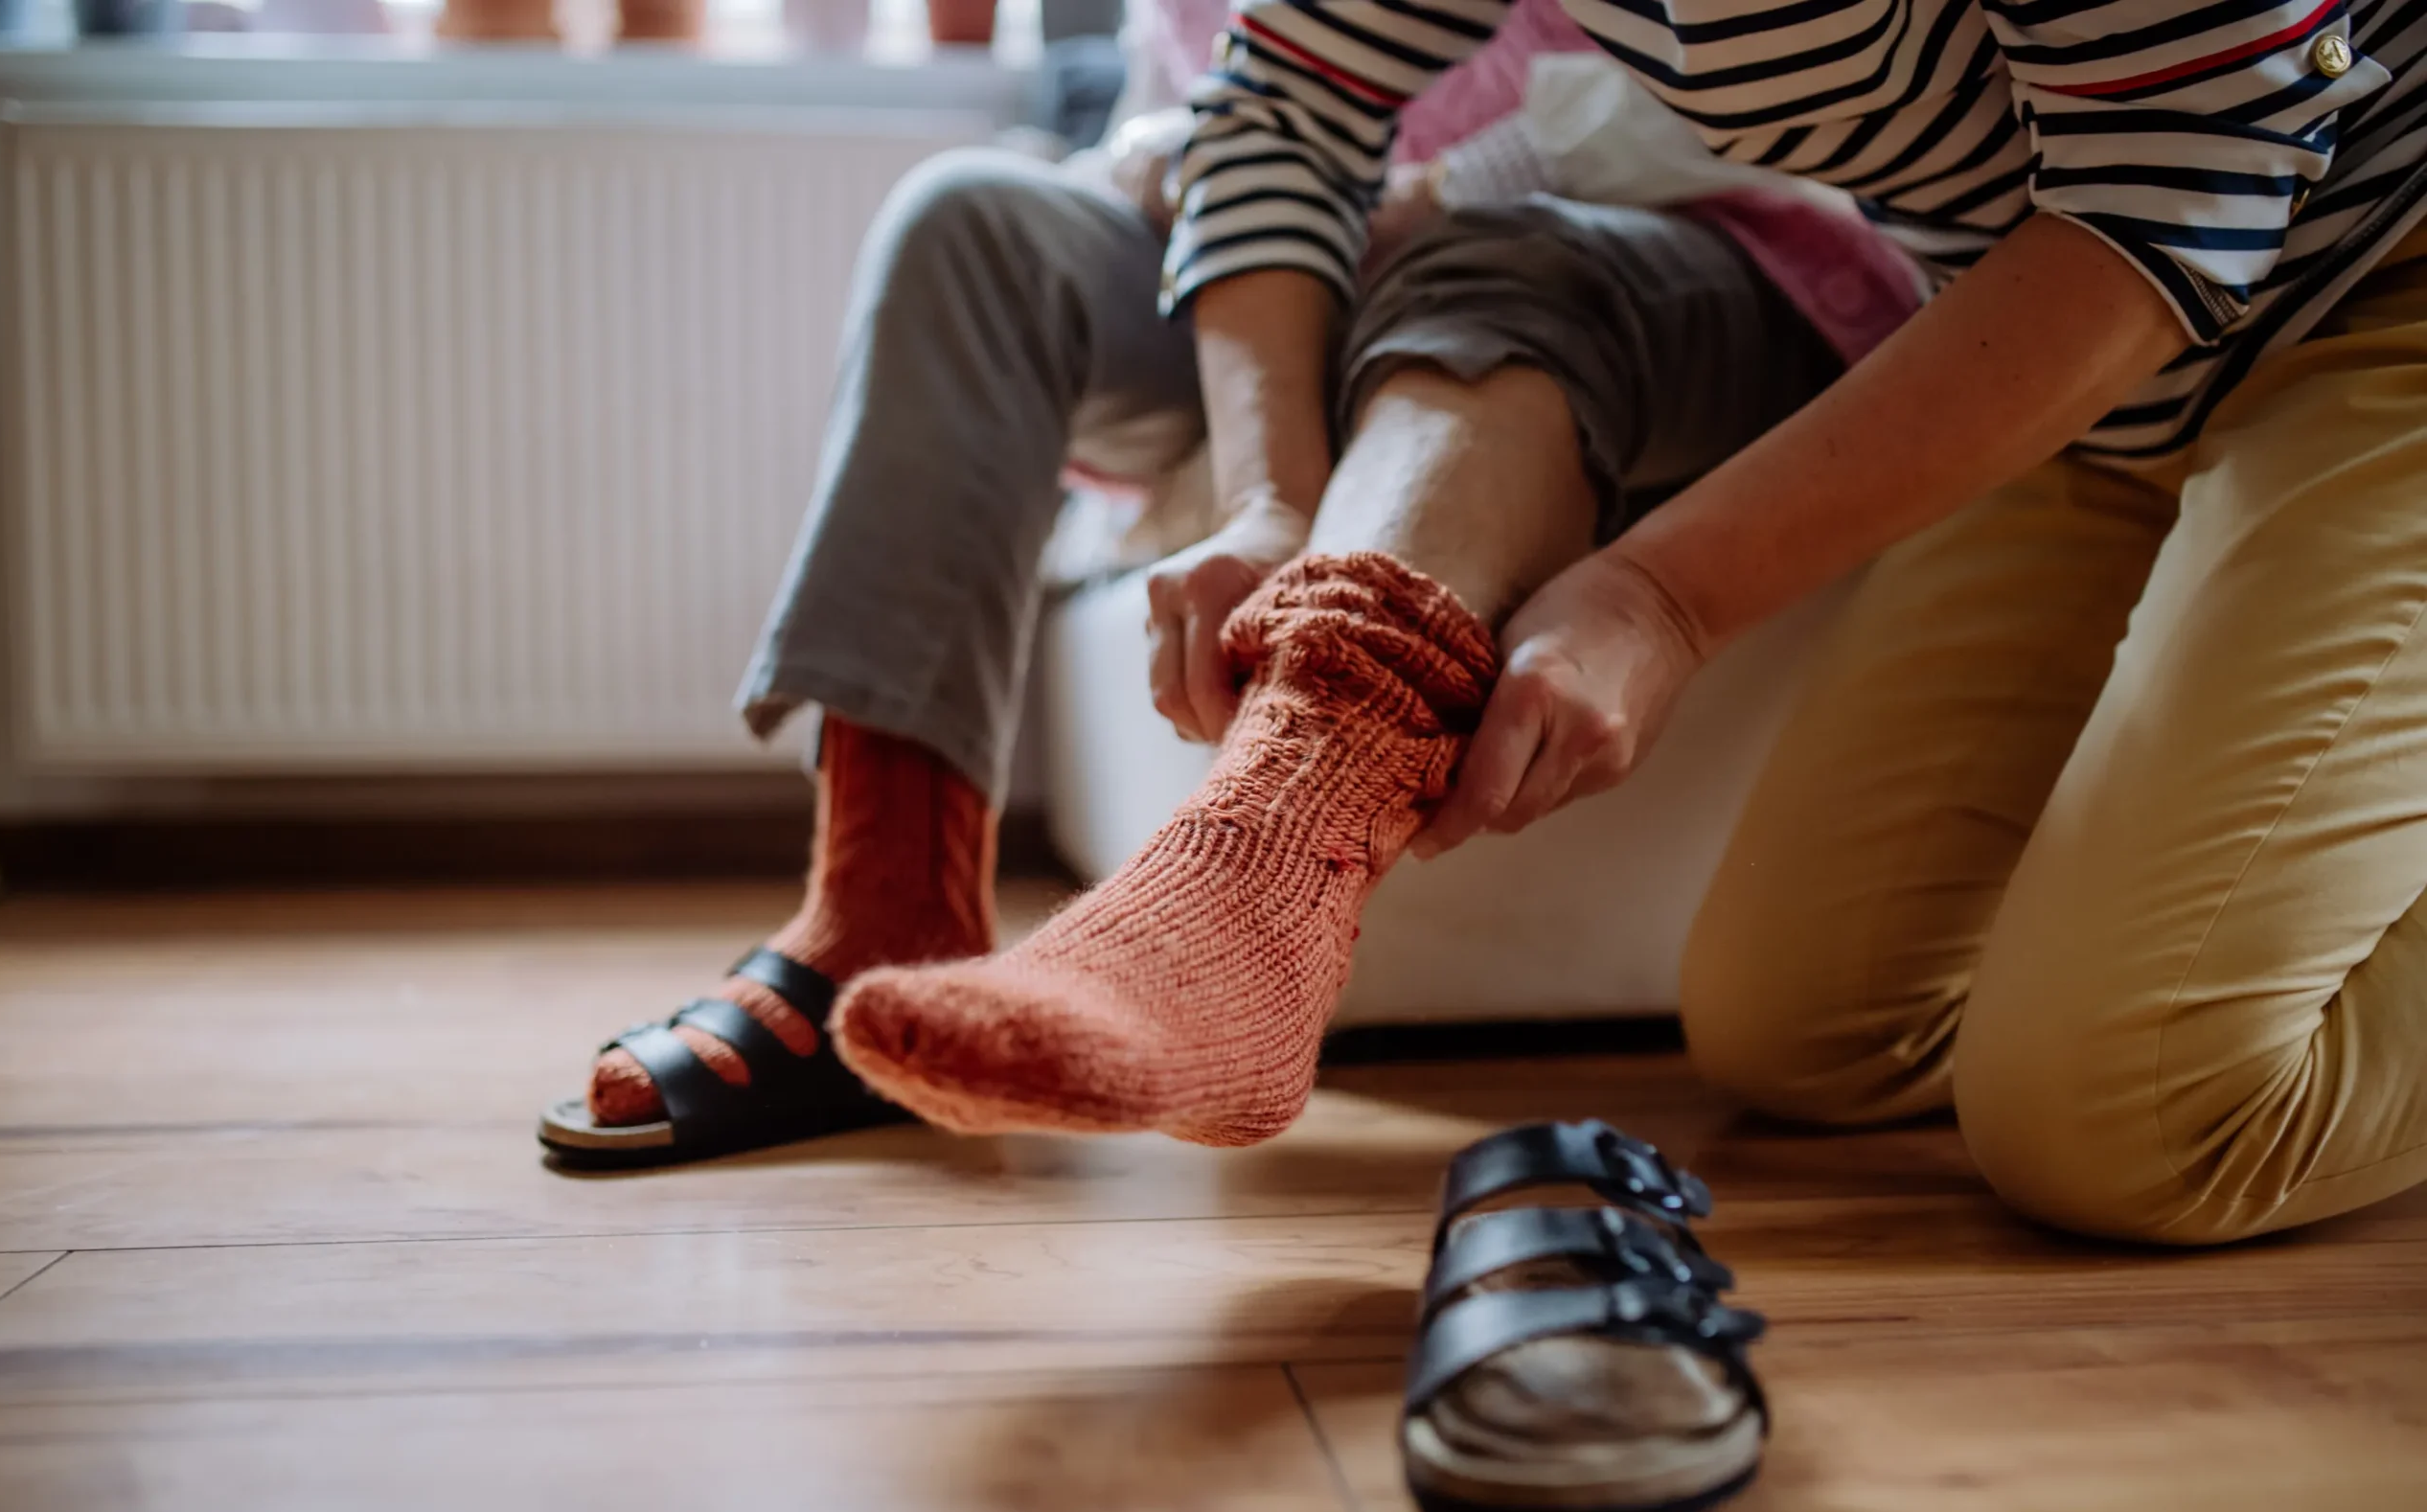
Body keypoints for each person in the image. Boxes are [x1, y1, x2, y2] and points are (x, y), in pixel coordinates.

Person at [819, 0, 2427, 1249]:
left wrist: (1665, 592)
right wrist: (1267, 505)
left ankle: (1249, 878)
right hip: (2103, 395)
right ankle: (1249, 868)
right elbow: (1287, 97)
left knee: (2134, 1123)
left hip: (2368, 290)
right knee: (1803, 1037)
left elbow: (2177, 182)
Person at [538, 0, 1921, 1163]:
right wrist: (1269, 491)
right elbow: (1257, 114)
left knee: (1492, 261)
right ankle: (882, 908)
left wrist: (1440, 190)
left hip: (1671, 237)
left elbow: (1729, 99)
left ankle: (1244, 900)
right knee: (969, 223)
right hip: (1327, 254)